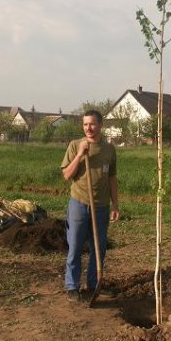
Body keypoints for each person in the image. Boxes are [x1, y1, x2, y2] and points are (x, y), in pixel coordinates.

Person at [61, 110, 119, 301]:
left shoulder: (109, 150)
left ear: (100, 125)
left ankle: (93, 285)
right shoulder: (74, 145)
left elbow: (112, 178)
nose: (89, 128)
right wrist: (80, 154)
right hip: (79, 203)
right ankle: (72, 286)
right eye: (86, 124)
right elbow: (67, 175)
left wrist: (115, 205)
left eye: (93, 124)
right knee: (75, 246)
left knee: (99, 247)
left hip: (101, 206)